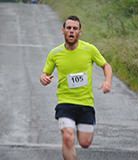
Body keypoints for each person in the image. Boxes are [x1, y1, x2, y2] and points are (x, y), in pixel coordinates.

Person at [40, 15, 112, 160]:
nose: (72, 31)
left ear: (80, 32)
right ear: (63, 30)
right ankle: (68, 142)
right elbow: (45, 74)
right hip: (65, 102)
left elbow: (106, 65)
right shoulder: (55, 53)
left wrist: (107, 81)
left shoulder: (89, 49)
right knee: (68, 137)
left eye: (75, 28)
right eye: (69, 28)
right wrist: (44, 78)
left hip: (86, 103)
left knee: (85, 143)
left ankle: (73, 139)